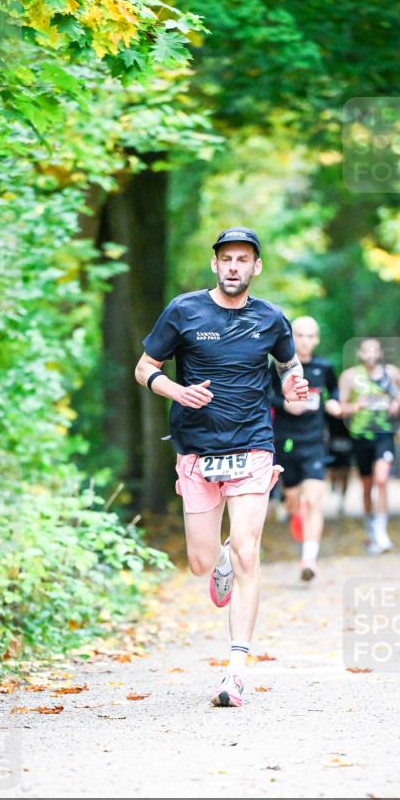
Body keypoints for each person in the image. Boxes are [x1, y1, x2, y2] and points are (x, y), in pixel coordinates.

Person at [134, 226, 308, 708]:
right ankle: (223, 555)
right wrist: (175, 391)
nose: (234, 267)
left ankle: (235, 672)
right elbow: (145, 366)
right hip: (197, 449)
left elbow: (290, 366)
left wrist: (295, 384)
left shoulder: (271, 318)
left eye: (243, 259)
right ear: (215, 264)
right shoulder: (184, 311)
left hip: (253, 444)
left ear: (257, 267)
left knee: (251, 551)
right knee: (200, 563)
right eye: (226, 259)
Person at [269, 316, 341, 581]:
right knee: (293, 502)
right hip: (286, 441)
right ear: (290, 337)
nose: (305, 341)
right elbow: (265, 395)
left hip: (314, 442)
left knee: (313, 500)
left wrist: (334, 403)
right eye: (300, 335)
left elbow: (334, 393)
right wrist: (284, 403)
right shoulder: (278, 367)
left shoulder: (325, 367)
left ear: (317, 339)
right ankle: (294, 512)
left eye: (310, 336)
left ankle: (309, 558)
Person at [338, 338, 400, 554]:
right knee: (367, 485)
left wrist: (397, 402)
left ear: (379, 353)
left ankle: (382, 532)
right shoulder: (350, 376)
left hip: (384, 433)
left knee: (382, 479)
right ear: (360, 353)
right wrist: (355, 406)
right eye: (366, 350)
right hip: (360, 435)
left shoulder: (392, 373)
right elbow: (341, 407)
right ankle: (370, 529)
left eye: (374, 350)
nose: (370, 354)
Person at [326, 411, 353, 514]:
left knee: (346, 473)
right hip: (333, 443)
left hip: (348, 444)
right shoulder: (330, 408)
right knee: (332, 470)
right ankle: (333, 485)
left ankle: (342, 500)